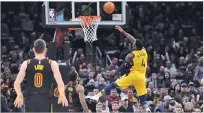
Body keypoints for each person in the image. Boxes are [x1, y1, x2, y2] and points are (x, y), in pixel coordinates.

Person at [86, 26, 150, 112]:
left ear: (136, 46)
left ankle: (96, 96)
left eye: (134, 44)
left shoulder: (131, 55)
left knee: (113, 85)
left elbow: (124, 65)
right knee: (142, 99)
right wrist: (123, 32)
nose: (132, 44)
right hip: (142, 77)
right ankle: (147, 109)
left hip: (134, 75)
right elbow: (133, 39)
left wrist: (116, 71)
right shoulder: (144, 51)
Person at [13, 39, 68, 112]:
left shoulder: (26, 63)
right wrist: (62, 95)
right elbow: (60, 83)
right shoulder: (52, 63)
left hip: (31, 99)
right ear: (45, 50)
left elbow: (16, 83)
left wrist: (19, 95)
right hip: (45, 99)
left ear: (33, 49)